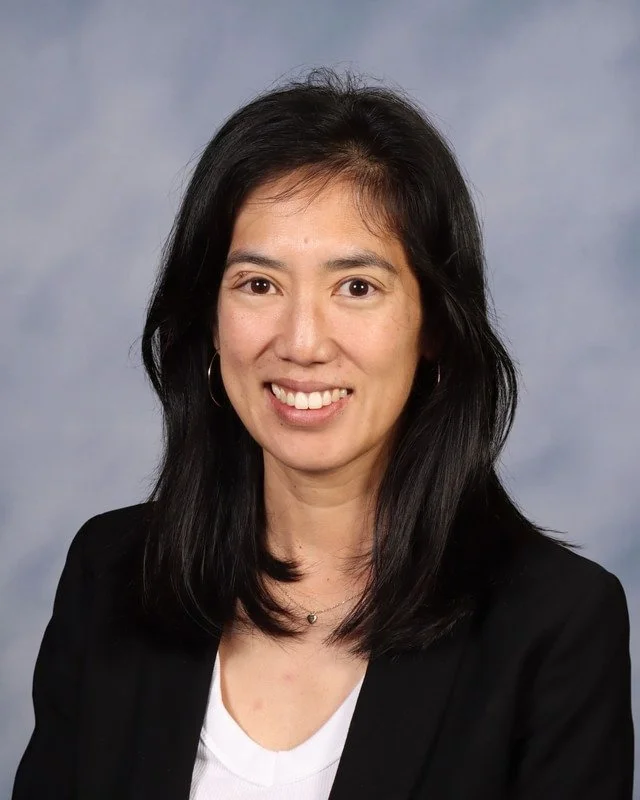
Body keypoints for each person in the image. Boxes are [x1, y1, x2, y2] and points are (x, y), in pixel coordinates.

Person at [12, 68, 634, 799]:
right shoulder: (111, 575)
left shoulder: (555, 626)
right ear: (208, 319)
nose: (302, 342)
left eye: (356, 287)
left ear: (433, 324)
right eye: (259, 284)